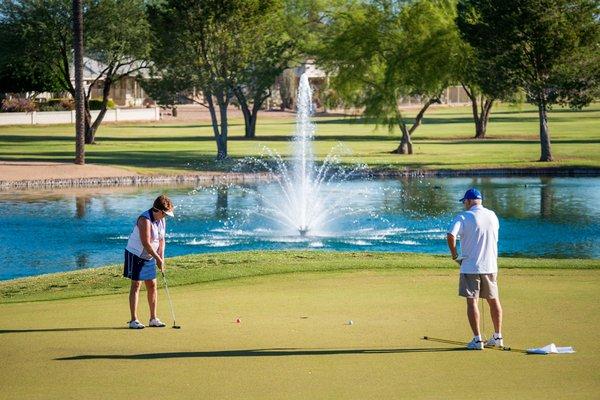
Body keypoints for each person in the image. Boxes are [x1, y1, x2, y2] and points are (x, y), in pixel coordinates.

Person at [447, 188, 504, 350]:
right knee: (494, 300)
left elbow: (451, 235)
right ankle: (498, 337)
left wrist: (454, 255)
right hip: (491, 266)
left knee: (472, 301)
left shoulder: (463, 217)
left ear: (470, 201)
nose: (464, 204)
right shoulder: (493, 215)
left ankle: (478, 340)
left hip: (470, 266)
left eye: (464, 201)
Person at [124, 195, 174, 329]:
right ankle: (133, 320)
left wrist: (161, 257)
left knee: (152, 285)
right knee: (136, 285)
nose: (166, 216)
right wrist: (157, 258)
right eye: (165, 214)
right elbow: (146, 243)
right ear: (159, 211)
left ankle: (153, 318)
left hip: (150, 255)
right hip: (136, 254)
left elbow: (162, 240)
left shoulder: (161, 221)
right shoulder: (144, 220)